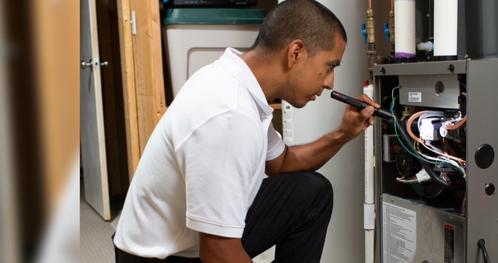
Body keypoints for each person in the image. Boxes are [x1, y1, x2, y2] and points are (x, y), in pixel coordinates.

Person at [113, 0, 379, 262]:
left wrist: (342, 134)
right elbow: (217, 253)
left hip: (193, 238)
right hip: (158, 256)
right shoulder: (230, 114)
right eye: (330, 66)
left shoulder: (242, 84)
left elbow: (283, 163)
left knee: (311, 192)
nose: (330, 83)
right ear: (295, 52)